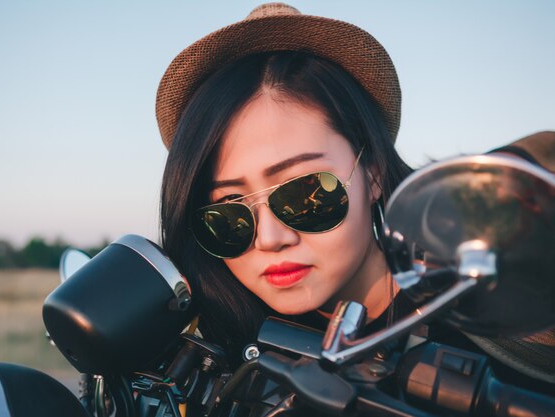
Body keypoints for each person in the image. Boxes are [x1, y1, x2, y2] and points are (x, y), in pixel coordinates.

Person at [155, 2, 554, 394]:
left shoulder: (494, 315)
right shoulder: (209, 363)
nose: (271, 238)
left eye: (305, 191)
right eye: (228, 216)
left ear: (373, 172)